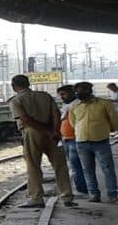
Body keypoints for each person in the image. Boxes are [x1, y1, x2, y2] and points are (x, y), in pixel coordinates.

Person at [8, 74, 74, 208]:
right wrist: (55, 131)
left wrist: (44, 131)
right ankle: (67, 196)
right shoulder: (45, 96)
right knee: (60, 165)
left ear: (14, 87)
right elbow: (56, 113)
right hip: (53, 132)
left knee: (33, 165)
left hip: (32, 132)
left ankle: (36, 198)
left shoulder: (15, 100)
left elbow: (25, 119)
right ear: (28, 84)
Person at [68, 82, 118, 204]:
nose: (79, 93)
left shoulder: (104, 104)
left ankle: (112, 195)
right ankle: (94, 194)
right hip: (82, 142)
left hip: (101, 141)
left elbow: (115, 120)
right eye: (77, 91)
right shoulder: (74, 106)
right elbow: (73, 123)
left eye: (83, 90)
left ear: (90, 90)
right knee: (87, 170)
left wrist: (109, 130)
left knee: (108, 169)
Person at [56, 86, 91, 199]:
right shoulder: (66, 104)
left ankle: (83, 189)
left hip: (76, 138)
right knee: (74, 165)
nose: (62, 97)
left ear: (72, 93)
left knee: (77, 165)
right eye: (60, 95)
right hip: (67, 138)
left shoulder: (77, 104)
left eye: (64, 94)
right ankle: (82, 187)